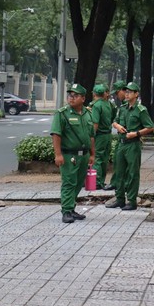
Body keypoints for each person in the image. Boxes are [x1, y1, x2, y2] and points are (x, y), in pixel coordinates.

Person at [50, 83, 95, 223]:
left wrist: (92, 154)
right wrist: (58, 155)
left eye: (75, 96)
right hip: (69, 155)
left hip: (84, 154)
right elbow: (56, 135)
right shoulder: (62, 113)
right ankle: (66, 210)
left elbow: (91, 136)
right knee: (69, 182)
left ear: (83, 98)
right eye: (70, 95)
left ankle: (72, 207)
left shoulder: (88, 113)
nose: (71, 98)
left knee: (78, 182)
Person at [106, 82, 154, 210]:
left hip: (133, 145)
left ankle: (132, 201)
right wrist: (117, 126)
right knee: (119, 172)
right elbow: (115, 121)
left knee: (132, 173)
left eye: (130, 92)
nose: (127, 94)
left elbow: (150, 127)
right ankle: (120, 199)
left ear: (136, 94)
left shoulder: (141, 110)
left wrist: (136, 133)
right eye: (126, 92)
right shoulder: (123, 108)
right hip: (121, 144)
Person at [103, 80, 127, 191]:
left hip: (130, 140)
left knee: (127, 165)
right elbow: (115, 120)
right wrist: (116, 125)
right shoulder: (122, 106)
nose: (117, 96)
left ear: (124, 91)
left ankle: (123, 184)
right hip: (121, 139)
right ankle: (116, 183)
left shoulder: (133, 106)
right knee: (117, 161)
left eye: (117, 93)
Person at [90, 84, 113, 189]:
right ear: (104, 93)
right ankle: (101, 180)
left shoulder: (96, 105)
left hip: (99, 136)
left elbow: (95, 123)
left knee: (97, 158)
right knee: (104, 158)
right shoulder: (108, 104)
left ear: (94, 94)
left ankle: (96, 182)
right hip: (107, 135)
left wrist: (91, 137)